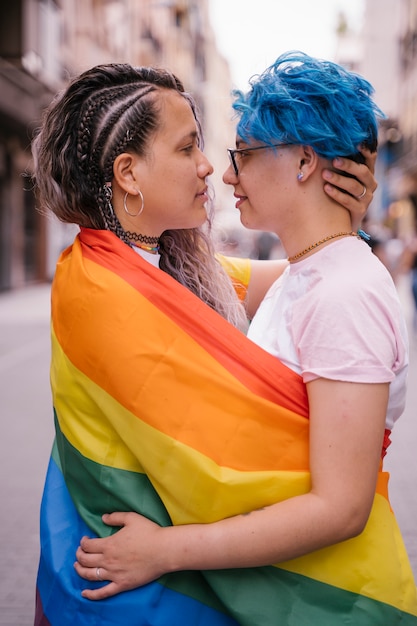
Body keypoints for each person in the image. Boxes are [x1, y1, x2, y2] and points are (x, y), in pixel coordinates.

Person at [72, 54, 417, 624]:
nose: (226, 174)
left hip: (331, 597)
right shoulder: (313, 273)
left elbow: (340, 509)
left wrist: (166, 550)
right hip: (301, 589)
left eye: (245, 155)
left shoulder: (342, 296)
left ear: (305, 161)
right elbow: (168, 277)